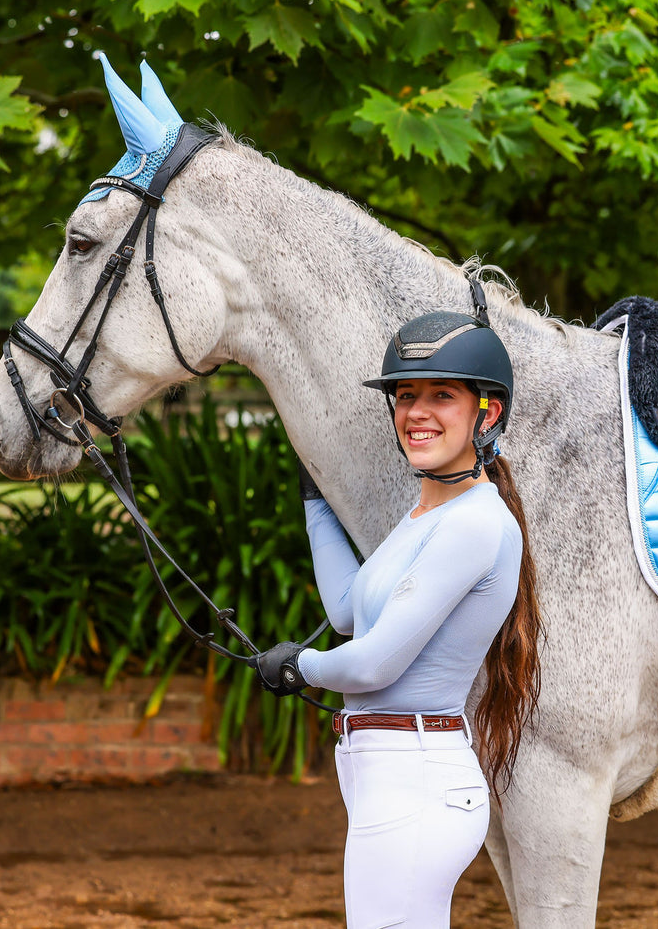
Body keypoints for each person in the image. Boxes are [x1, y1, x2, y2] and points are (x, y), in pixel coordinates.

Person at [256, 308, 542, 929]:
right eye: (406, 396)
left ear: (487, 413)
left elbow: (374, 661)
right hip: (385, 773)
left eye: (443, 395)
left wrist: (298, 667)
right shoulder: (425, 518)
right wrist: (316, 500)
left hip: (415, 778)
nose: (417, 412)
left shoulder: (473, 523)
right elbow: (346, 611)